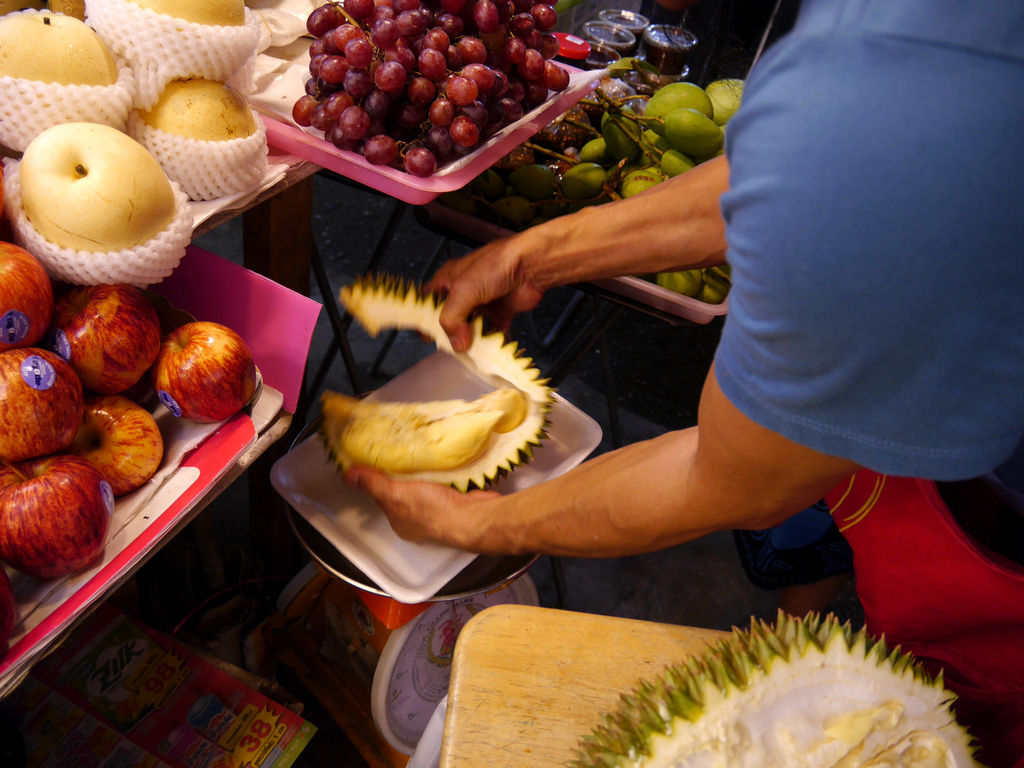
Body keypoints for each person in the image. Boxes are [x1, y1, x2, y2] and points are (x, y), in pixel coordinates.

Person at [342, 0, 1024, 763]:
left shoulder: (902, 99)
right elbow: (775, 172)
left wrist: (474, 528)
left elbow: (728, 480)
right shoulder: (899, 46)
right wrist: (536, 254)